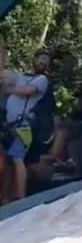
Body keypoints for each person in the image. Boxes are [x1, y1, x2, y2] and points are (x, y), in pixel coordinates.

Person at [0, 48, 51, 202]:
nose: (43, 62)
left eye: (46, 61)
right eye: (40, 59)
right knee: (8, 161)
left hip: (23, 127)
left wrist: (9, 89)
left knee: (17, 159)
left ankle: (21, 198)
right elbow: (5, 75)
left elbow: (28, 90)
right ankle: (6, 197)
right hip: (9, 125)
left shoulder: (42, 80)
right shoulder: (20, 76)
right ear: (34, 60)